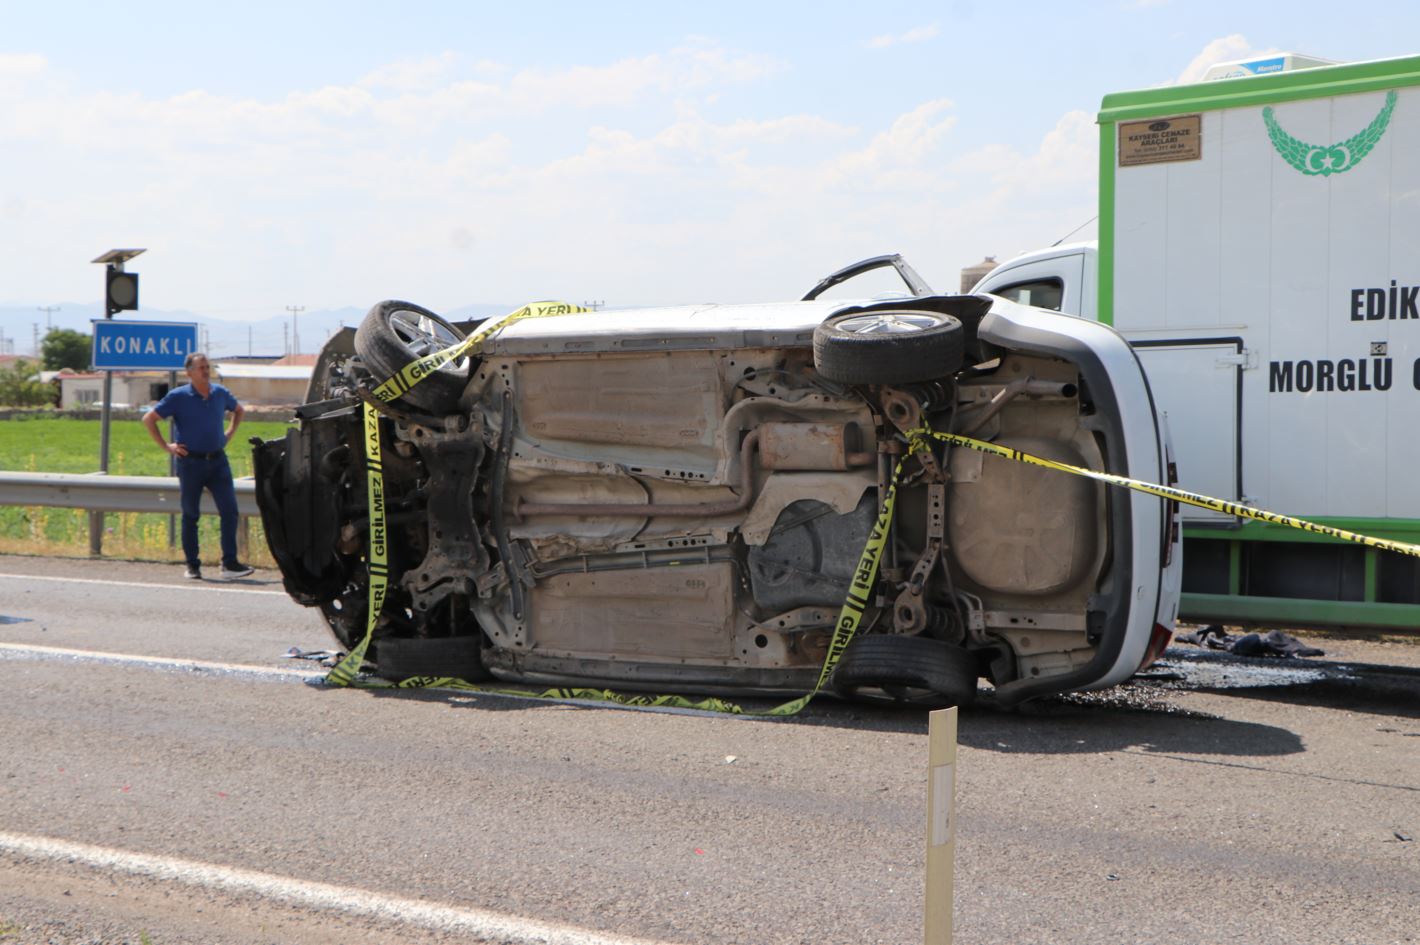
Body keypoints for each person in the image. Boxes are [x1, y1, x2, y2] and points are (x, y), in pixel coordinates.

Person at [141, 352, 254, 580]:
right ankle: (193, 565)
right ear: (189, 372)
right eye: (201, 367)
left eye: (207, 366)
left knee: (230, 511)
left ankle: (229, 564)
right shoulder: (178, 396)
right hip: (190, 462)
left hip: (218, 461)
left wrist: (229, 433)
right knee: (191, 514)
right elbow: (149, 419)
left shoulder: (220, 393)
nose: (205, 371)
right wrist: (167, 447)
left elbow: (239, 410)